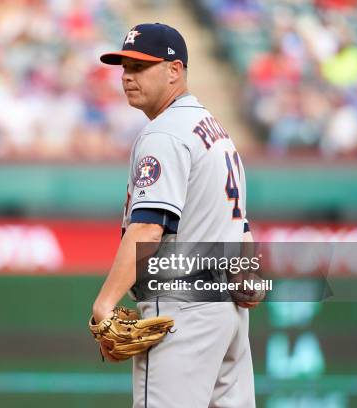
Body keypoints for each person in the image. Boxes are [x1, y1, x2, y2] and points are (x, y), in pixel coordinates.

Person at [91, 23, 257, 407]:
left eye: (140, 66)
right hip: (225, 314)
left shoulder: (165, 134)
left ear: (174, 70)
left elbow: (149, 228)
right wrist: (249, 269)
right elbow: (241, 224)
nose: (127, 77)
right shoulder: (215, 131)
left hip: (181, 309)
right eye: (125, 67)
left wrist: (105, 303)